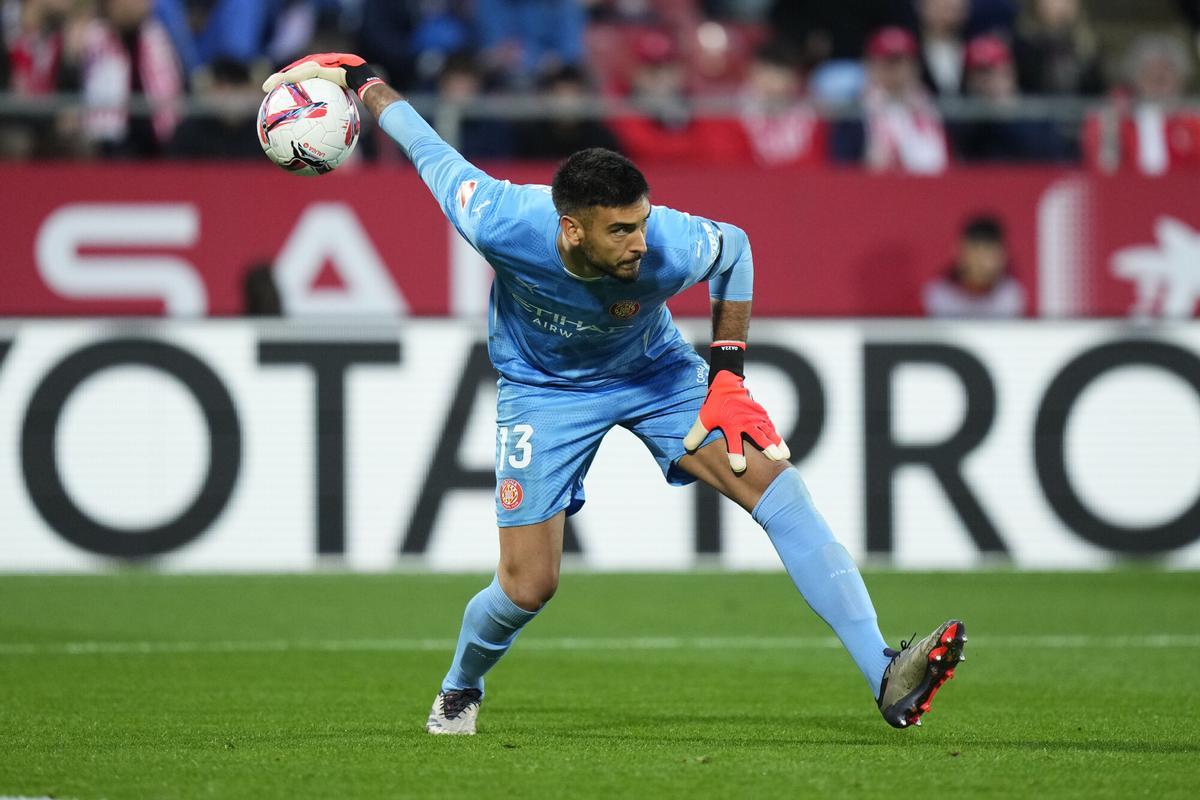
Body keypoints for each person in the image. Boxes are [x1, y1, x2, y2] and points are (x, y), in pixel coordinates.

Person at [262, 51, 968, 735]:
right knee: (526, 587)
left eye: (642, 221)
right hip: (543, 392)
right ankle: (460, 687)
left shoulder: (667, 242)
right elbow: (424, 144)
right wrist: (361, 78)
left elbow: (737, 250)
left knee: (779, 491)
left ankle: (882, 671)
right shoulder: (500, 219)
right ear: (570, 229)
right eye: (621, 230)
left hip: (653, 371)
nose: (639, 243)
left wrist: (727, 378)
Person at [831, 26, 948, 174]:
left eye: (900, 61)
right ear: (870, 65)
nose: (894, 70)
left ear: (915, 66)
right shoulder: (854, 112)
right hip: (874, 190)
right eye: (886, 62)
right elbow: (842, 164)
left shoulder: (936, 107)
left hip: (934, 188)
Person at [1083, 33, 1200, 175]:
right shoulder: (1113, 120)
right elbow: (1103, 171)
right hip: (1129, 192)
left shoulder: (1194, 123)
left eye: (1165, 74)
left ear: (1180, 79)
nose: (1157, 79)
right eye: (1149, 73)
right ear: (1136, 78)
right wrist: (1110, 134)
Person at [951, 34, 1074, 163]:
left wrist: (1006, 114)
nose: (989, 81)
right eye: (980, 73)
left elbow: (1051, 154)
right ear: (969, 80)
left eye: (995, 71)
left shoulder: (1036, 111)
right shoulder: (962, 117)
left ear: (1010, 72)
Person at [923, 215, 1026, 317]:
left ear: (1003, 256)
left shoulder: (1010, 296)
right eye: (975, 251)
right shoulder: (940, 295)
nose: (980, 262)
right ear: (960, 252)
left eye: (988, 252)